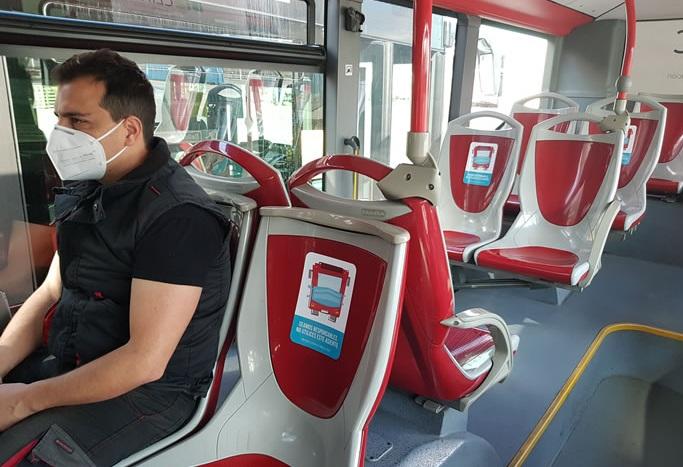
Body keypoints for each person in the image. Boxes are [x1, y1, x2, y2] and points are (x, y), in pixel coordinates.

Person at [0, 49, 230, 466]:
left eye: (77, 122)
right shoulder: (90, 187)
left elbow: (144, 362)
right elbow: (53, 291)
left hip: (146, 396)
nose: (60, 135)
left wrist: (22, 402)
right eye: (60, 119)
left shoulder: (179, 217)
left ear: (128, 130)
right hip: (73, 362)